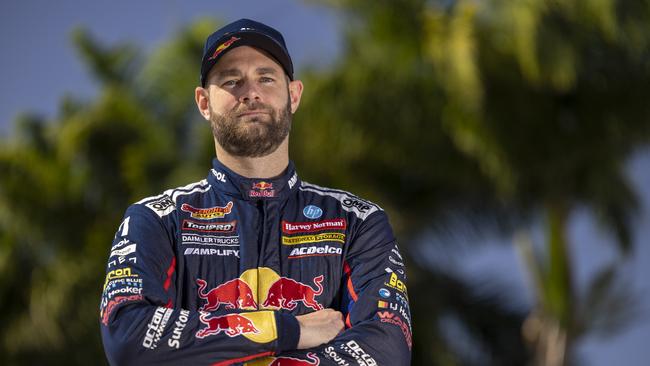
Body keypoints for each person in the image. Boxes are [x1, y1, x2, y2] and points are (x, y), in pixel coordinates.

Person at [100, 18, 412, 366]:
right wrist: (287, 330)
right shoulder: (156, 218)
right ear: (204, 103)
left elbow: (387, 348)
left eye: (266, 78)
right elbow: (128, 337)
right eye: (232, 80)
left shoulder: (357, 221)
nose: (251, 92)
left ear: (294, 95)